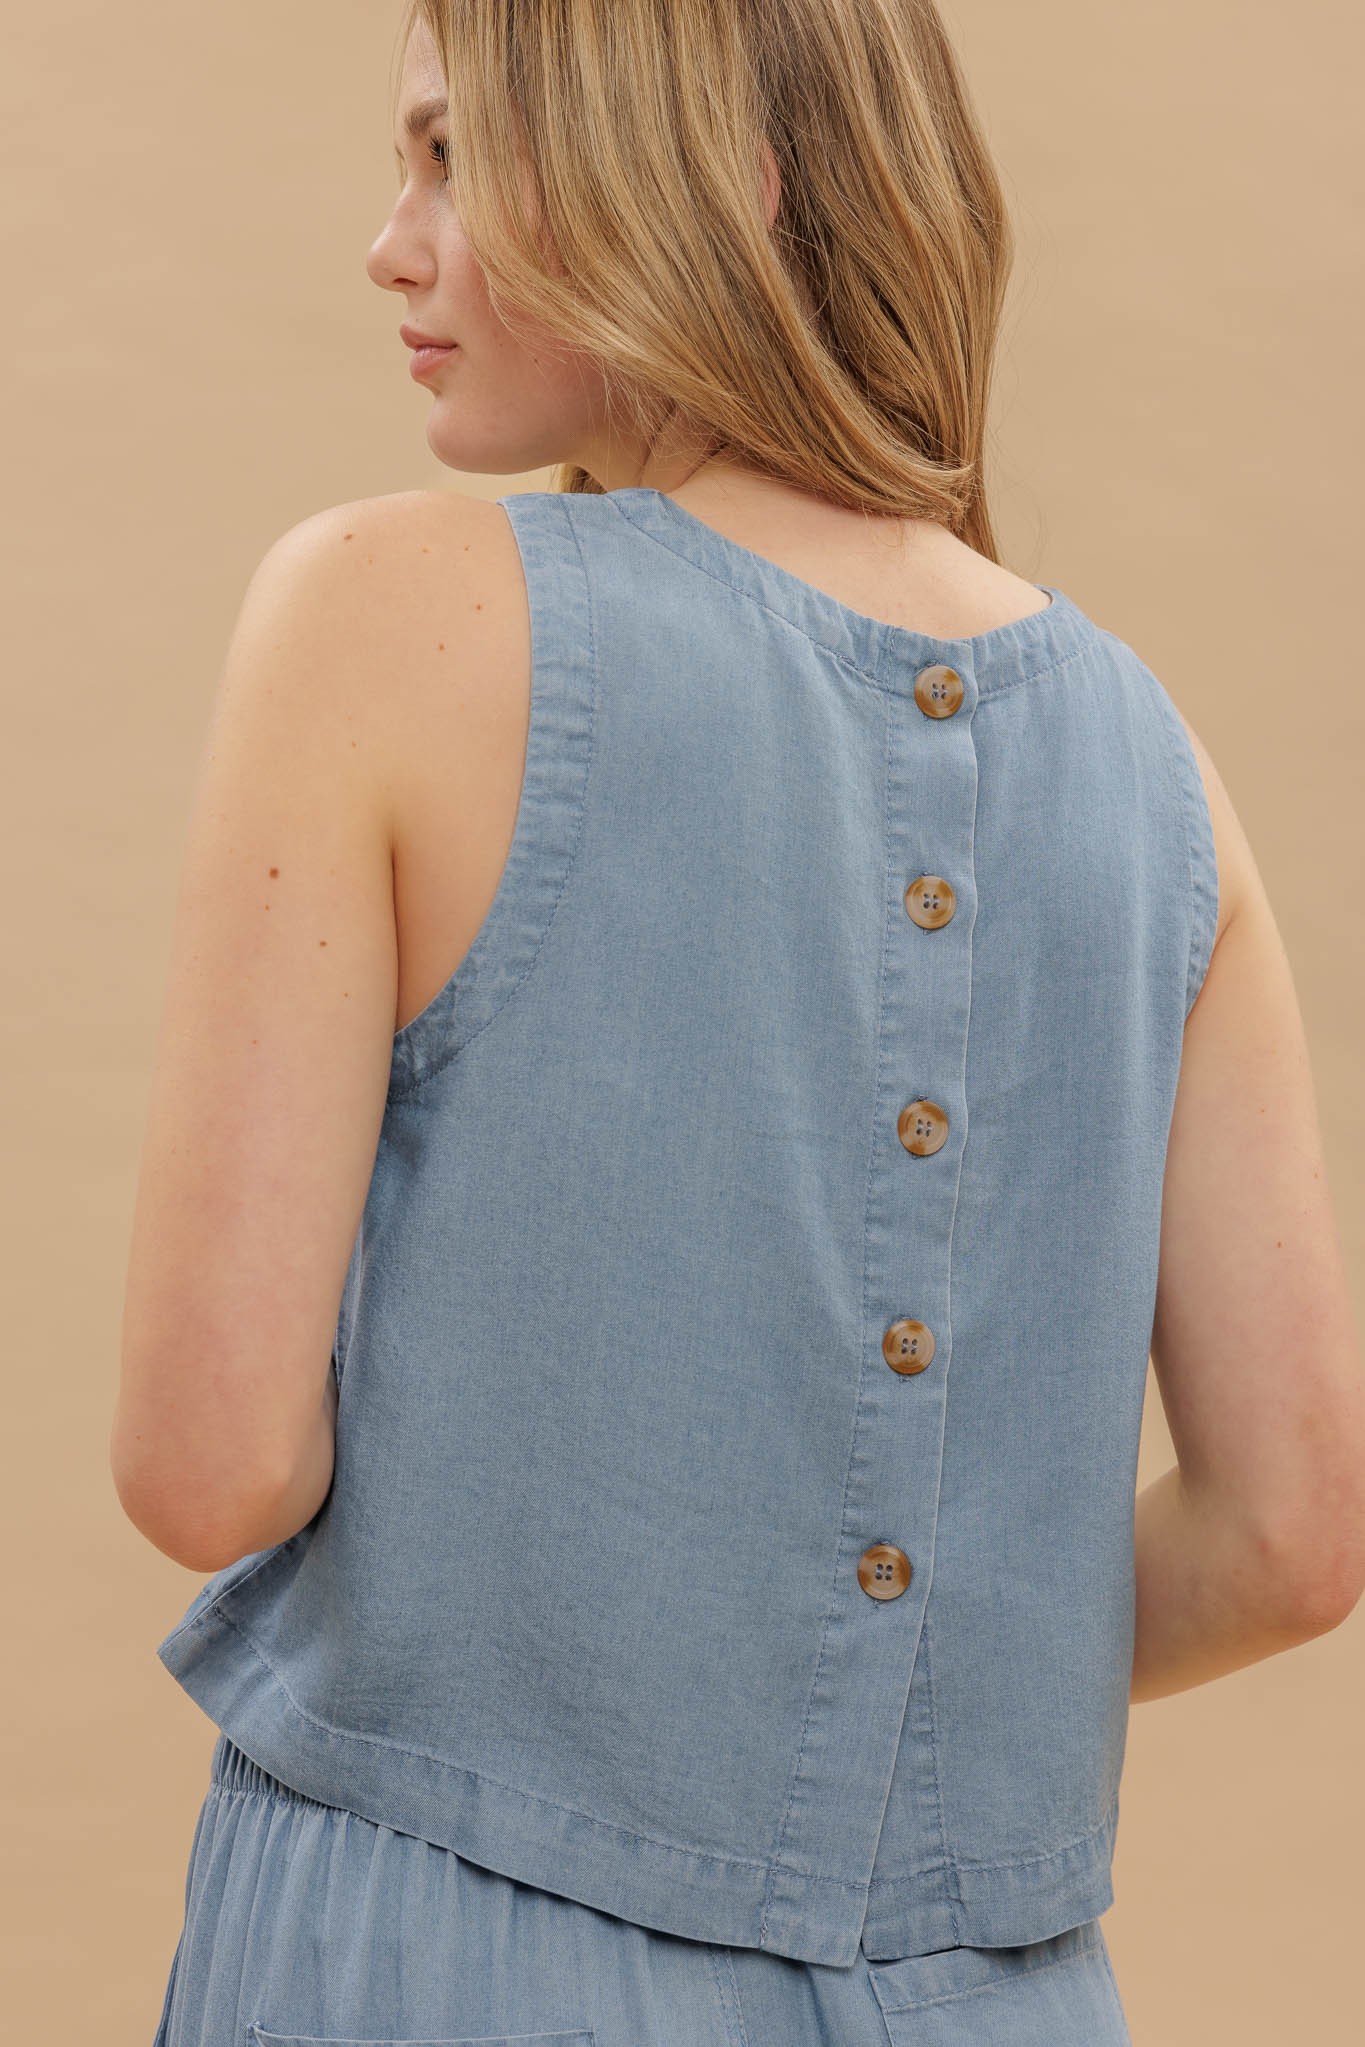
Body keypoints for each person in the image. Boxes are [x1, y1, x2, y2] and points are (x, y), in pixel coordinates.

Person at [115, 4, 1365, 2044]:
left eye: (450, 154)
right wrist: (849, 1687)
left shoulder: (377, 616)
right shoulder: (1157, 770)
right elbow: (1291, 1535)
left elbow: (209, 1463)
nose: (390, 244)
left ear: (711, 175)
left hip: (446, 1961)